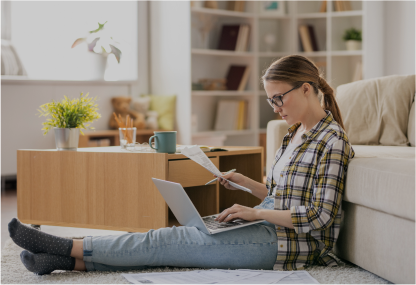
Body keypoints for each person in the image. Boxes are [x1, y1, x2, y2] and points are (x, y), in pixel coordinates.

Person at [8, 55, 354, 275]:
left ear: (307, 89)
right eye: (270, 99)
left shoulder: (332, 141)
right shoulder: (290, 134)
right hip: (269, 227)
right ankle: (70, 262)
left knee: (169, 241)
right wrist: (247, 184)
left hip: (290, 245)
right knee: (173, 240)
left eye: (280, 98)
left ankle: (67, 247)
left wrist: (255, 213)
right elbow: (279, 195)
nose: (275, 107)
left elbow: (318, 216)